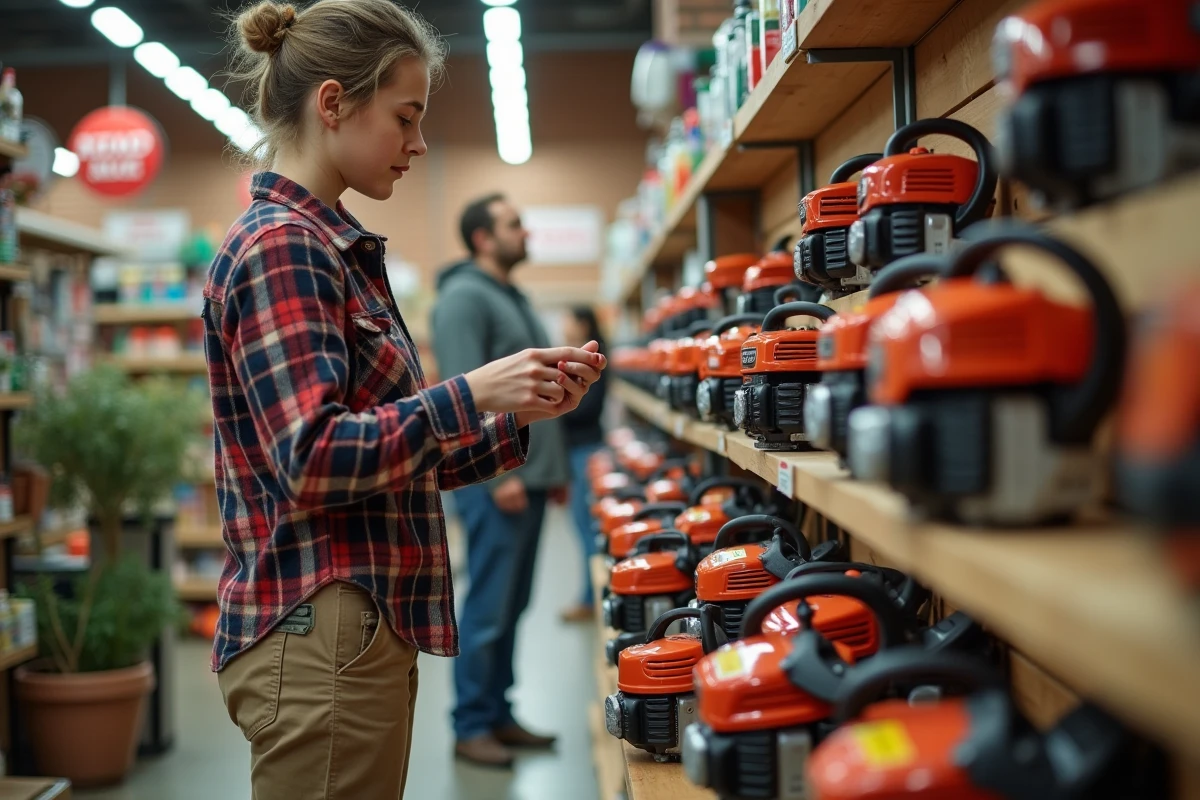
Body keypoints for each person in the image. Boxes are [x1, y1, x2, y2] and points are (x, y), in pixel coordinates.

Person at [204, 3, 605, 797]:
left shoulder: (330, 246)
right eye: (406, 117)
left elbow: (388, 457)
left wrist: (516, 413)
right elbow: (314, 461)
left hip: (346, 627)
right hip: (320, 625)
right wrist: (469, 392)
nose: (419, 144)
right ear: (332, 104)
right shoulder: (286, 246)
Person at [431, 195, 570, 768]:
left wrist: (550, 471)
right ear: (483, 238)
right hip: (497, 481)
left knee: (513, 604)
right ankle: (470, 725)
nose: (525, 231)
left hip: (527, 477)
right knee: (489, 605)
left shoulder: (509, 295)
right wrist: (494, 481)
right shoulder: (464, 297)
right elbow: (465, 396)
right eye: (514, 224)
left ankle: (499, 712)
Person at [559, 307, 609, 623]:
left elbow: (585, 411)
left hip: (586, 452)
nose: (564, 327)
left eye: (569, 319)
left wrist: (554, 404)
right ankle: (593, 597)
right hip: (577, 451)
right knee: (581, 526)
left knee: (588, 528)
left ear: (583, 323)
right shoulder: (579, 361)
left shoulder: (595, 362)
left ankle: (593, 600)